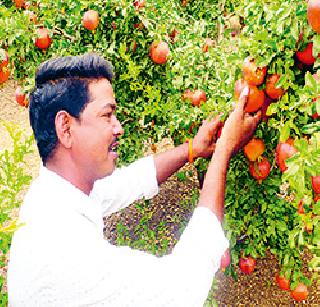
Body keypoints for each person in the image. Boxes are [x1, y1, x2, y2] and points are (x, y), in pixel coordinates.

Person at [7, 53, 260, 306]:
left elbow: (126, 184)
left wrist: (193, 149)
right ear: (65, 127)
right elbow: (181, 289)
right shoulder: (67, 256)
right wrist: (225, 147)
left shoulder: (52, 194)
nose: (119, 127)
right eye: (107, 115)